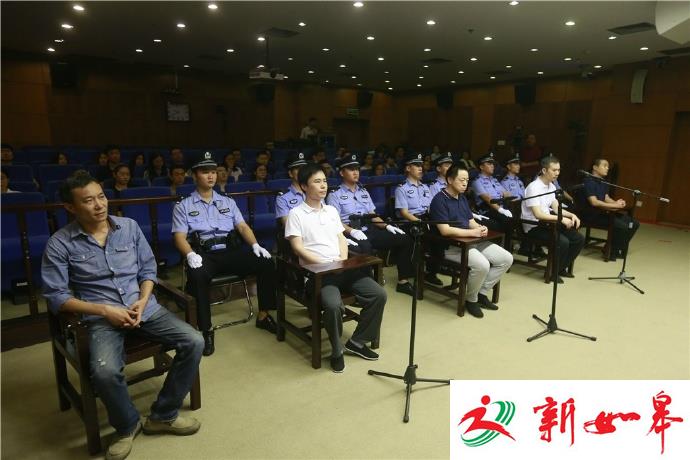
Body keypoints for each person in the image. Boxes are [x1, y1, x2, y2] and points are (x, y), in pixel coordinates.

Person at [41, 171, 203, 460]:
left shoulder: (129, 226)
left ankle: (163, 414)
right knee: (104, 372)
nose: (99, 205)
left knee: (194, 341)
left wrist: (143, 299)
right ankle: (127, 426)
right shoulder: (60, 243)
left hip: (144, 308)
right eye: (88, 201)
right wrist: (105, 310)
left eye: (101, 197)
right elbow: (56, 296)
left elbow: (148, 270)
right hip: (101, 318)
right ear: (70, 207)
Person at [172, 151, 277, 356]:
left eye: (213, 171)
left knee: (266, 262)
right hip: (204, 254)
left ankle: (264, 316)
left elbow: (242, 226)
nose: (211, 175)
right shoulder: (183, 206)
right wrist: (190, 254)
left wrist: (255, 245)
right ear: (194, 175)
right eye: (205, 172)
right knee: (197, 276)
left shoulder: (227, 202)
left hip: (230, 251)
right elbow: (179, 237)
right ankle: (206, 329)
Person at [285, 163, 386, 373]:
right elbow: (297, 248)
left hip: (342, 267)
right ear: (304, 186)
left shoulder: (331, 210)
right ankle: (336, 350)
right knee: (333, 306)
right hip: (319, 274)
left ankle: (357, 342)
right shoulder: (296, 214)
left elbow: (341, 237)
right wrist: (324, 264)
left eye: (324, 181)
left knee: (378, 294)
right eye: (317, 182)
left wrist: (342, 259)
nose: (323, 186)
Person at [429, 165, 513, 318]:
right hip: (451, 246)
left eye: (467, 180)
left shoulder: (462, 198)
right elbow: (445, 230)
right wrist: (472, 232)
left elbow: (470, 221)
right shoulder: (439, 200)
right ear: (449, 180)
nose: (465, 183)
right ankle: (471, 299)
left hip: (470, 241)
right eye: (461, 180)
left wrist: (479, 228)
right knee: (482, 265)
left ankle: (482, 292)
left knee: (506, 258)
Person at [326, 154, 416, 296]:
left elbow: (373, 215)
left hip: (369, 229)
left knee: (404, 239)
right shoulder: (334, 194)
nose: (356, 172)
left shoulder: (363, 191)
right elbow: (335, 222)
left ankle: (403, 282)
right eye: (351, 169)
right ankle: (368, 285)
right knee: (365, 247)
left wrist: (386, 226)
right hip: (350, 233)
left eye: (357, 169)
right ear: (342, 173)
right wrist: (351, 231)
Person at [522, 155, 584, 283]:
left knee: (578, 239)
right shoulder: (533, 187)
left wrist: (571, 215)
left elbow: (556, 208)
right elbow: (538, 214)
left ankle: (559, 269)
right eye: (554, 170)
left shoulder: (551, 186)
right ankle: (552, 273)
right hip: (533, 226)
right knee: (563, 242)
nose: (557, 173)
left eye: (559, 170)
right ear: (544, 170)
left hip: (548, 223)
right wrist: (560, 219)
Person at [394, 152, 441, 286]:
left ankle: (430, 273)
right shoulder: (401, 189)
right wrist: (419, 222)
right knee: (414, 239)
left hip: (426, 220)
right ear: (408, 168)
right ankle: (404, 279)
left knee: (440, 238)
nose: (421, 168)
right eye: (416, 165)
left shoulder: (425, 187)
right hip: (410, 222)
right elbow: (404, 212)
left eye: (421, 165)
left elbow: (431, 207)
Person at [581, 158, 639, 261]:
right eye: (604, 166)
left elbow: (606, 197)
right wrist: (614, 206)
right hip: (592, 215)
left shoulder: (603, 182)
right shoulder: (588, 181)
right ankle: (611, 251)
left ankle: (613, 248)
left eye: (608, 166)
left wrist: (616, 203)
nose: (607, 168)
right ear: (595, 167)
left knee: (634, 223)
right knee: (622, 226)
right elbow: (594, 202)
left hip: (603, 212)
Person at [501, 154, 543, 259]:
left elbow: (525, 196)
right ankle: (526, 247)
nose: (518, 166)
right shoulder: (504, 182)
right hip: (514, 211)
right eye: (515, 164)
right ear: (508, 166)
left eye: (519, 164)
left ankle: (534, 246)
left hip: (522, 209)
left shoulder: (519, 181)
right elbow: (509, 201)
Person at [471, 152, 514, 233]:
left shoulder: (494, 180)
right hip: (488, 210)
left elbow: (506, 194)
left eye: (493, 164)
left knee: (515, 218)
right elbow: (488, 199)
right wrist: (501, 210)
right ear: (481, 167)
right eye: (489, 164)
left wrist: (504, 203)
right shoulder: (477, 182)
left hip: (501, 207)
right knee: (506, 221)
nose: (492, 166)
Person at [275, 151, 309, 225]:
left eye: (304, 168)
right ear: (290, 173)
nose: (302, 171)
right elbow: (288, 225)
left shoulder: (314, 191)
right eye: (298, 169)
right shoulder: (283, 197)